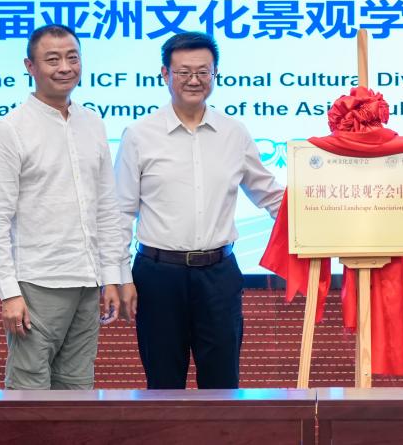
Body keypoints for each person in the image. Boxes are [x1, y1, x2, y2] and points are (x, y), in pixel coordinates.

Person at [114, 31, 284, 389]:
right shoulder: (139, 134)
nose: (194, 80)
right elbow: (121, 212)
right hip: (158, 276)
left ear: (215, 74)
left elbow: (270, 195)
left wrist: (326, 210)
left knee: (223, 386)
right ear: (165, 74)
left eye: (203, 71)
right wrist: (120, 276)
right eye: (183, 72)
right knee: (163, 385)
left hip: (218, 275)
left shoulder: (234, 133)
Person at [0, 24, 125, 390]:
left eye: (72, 58)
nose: (65, 67)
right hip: (37, 284)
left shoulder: (92, 123)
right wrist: (9, 293)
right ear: (30, 66)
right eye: (52, 59)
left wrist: (112, 276)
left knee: (78, 387)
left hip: (88, 281)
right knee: (29, 390)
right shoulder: (11, 130)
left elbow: (107, 208)